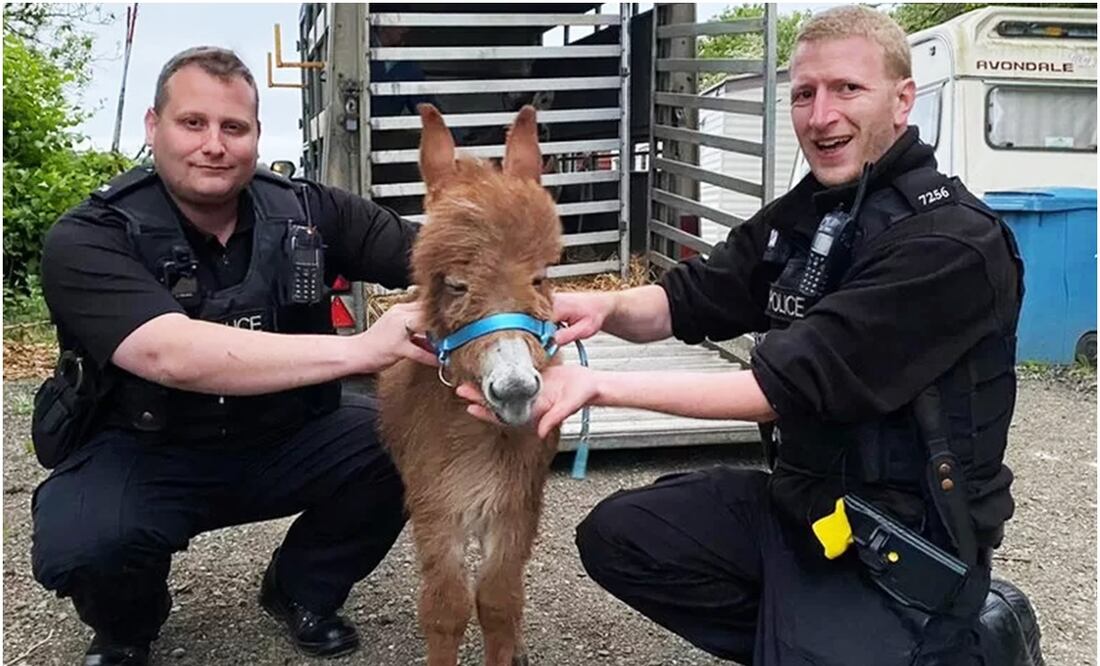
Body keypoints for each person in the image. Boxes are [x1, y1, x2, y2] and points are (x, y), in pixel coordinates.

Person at [459, 6, 1043, 665]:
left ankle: (959, 640)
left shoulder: (948, 244)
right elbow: (695, 297)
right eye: (804, 93)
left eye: (847, 89)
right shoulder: (813, 212)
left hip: (900, 545)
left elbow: (781, 387)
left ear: (902, 100)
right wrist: (589, 308)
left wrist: (595, 384)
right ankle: (804, 637)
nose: (821, 116)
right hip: (805, 509)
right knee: (622, 535)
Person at [31, 46, 436, 666]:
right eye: (192, 123)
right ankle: (128, 626)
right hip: (146, 447)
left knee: (409, 440)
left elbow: (434, 255)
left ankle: (302, 588)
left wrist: (538, 290)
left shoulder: (307, 210)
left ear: (256, 135)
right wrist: (361, 351)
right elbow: (171, 354)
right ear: (153, 126)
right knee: (85, 541)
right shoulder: (89, 236)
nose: (213, 145)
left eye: (234, 127)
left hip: (283, 434)